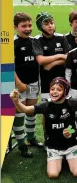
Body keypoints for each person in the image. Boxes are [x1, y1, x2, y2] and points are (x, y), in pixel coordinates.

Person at [10, 75, 77, 178]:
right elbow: (25, 109)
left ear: (65, 92)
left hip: (71, 145)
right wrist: (16, 101)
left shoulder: (71, 103)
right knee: (53, 174)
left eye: (59, 89)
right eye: (52, 89)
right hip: (53, 147)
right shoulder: (46, 105)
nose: (54, 92)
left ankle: (71, 156)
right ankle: (59, 158)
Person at [13, 12, 43, 157]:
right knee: (19, 114)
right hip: (18, 85)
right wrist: (18, 83)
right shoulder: (12, 43)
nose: (27, 28)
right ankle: (21, 145)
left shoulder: (34, 40)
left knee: (31, 111)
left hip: (33, 83)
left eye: (29, 25)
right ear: (15, 27)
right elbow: (6, 65)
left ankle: (31, 138)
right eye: (23, 26)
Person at [32, 12, 71, 102]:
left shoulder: (61, 37)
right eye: (46, 24)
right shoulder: (37, 40)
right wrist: (60, 55)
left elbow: (69, 58)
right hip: (46, 79)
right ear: (40, 26)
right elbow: (41, 60)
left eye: (52, 23)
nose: (50, 26)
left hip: (62, 78)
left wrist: (54, 63)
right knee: (47, 108)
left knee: (63, 105)